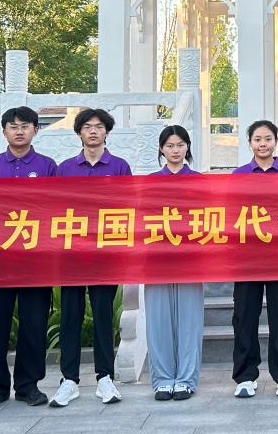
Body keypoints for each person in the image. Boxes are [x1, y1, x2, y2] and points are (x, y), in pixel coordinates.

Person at [0, 107, 59, 410]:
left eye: (25, 126)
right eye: (13, 127)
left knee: (34, 324)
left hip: (35, 259)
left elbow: (55, 208)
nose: (19, 131)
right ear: (4, 132)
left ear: (36, 129)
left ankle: (28, 386)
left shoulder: (47, 166)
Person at [50, 108, 131, 408]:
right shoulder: (65, 168)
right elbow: (55, 208)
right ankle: (69, 380)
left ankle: (104, 377)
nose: (93, 131)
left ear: (106, 132)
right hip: (72, 253)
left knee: (102, 315)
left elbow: (127, 207)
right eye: (87, 127)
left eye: (98, 126)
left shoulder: (119, 166)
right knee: (70, 316)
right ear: (79, 132)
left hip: (105, 253)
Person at [230, 120, 278, 399]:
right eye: (257, 139)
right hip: (247, 258)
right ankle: (245, 376)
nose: (263, 144)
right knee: (244, 317)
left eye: (268, 138)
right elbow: (229, 214)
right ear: (250, 143)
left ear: (276, 141)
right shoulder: (238, 175)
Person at [145, 125, 204, 402]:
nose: (175, 150)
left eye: (180, 145)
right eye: (169, 145)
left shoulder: (199, 181)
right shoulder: (149, 183)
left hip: (190, 260)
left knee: (190, 321)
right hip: (157, 260)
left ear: (187, 147)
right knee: (158, 322)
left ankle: (186, 379)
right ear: (161, 149)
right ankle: (162, 379)